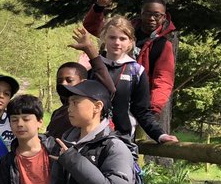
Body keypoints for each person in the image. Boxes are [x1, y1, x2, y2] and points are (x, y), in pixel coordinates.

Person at [71, 17, 178, 147]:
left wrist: (160, 135)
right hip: (89, 138)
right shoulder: (91, 67)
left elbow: (142, 111)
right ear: (104, 38)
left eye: (122, 39)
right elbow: (74, 101)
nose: (117, 42)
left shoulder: (136, 71)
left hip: (122, 140)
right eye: (112, 37)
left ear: (130, 42)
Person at [84, 0, 177, 124]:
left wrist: (153, 109)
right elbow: (92, 26)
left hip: (134, 101)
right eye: (147, 13)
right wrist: (99, 7)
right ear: (141, 13)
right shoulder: (125, 30)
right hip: (104, 92)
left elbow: (163, 79)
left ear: (164, 17)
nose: (151, 18)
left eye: (157, 15)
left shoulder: (162, 45)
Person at [47, 63, 89, 140]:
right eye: (59, 81)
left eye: (69, 80)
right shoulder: (58, 112)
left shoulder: (86, 112)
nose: (63, 83)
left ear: (83, 82)